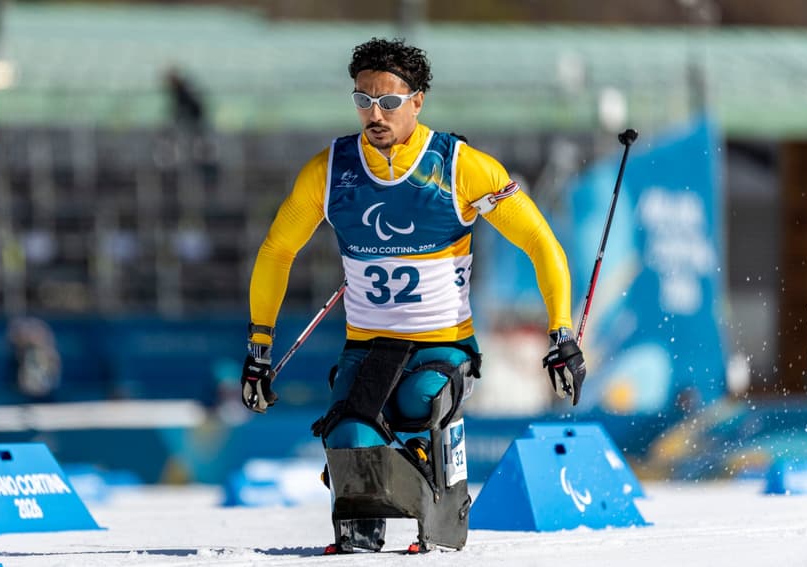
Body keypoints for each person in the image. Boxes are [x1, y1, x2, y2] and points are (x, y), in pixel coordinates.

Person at [240, 37, 586, 553]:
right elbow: (275, 251)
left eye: (389, 102)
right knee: (347, 438)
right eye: (363, 100)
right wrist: (259, 348)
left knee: (415, 404)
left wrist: (561, 334)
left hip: (442, 346)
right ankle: (360, 528)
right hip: (370, 347)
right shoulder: (329, 170)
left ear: (417, 100)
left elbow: (541, 243)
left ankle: (443, 500)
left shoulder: (460, 166)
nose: (374, 114)